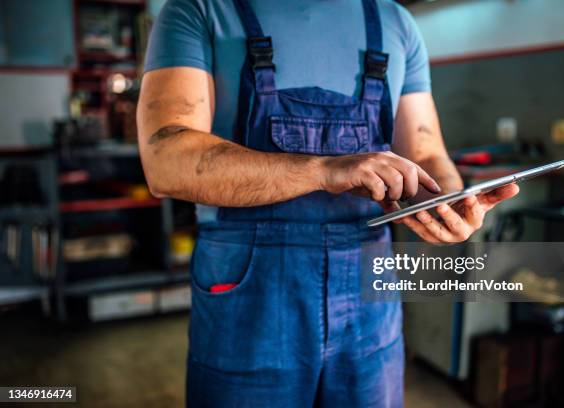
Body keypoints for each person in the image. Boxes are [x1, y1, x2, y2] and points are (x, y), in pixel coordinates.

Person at [137, 0, 519, 406]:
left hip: (368, 285)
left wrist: (447, 202)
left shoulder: (395, 24)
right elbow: (167, 160)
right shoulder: (201, 9)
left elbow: (425, 155)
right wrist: (324, 170)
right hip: (250, 290)